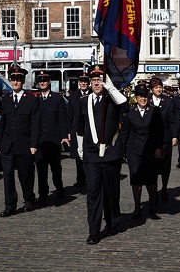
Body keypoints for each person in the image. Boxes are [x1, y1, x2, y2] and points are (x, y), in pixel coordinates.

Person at [76, 65, 130, 245]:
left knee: (111, 192)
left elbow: (125, 107)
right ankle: (93, 230)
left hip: (110, 153)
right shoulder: (85, 101)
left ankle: (113, 222)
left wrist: (111, 88)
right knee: (93, 193)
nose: (96, 83)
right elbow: (79, 127)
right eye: (94, 80)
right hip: (91, 155)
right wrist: (80, 149)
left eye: (100, 80)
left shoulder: (113, 100)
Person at [0, 65, 40, 217]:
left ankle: (29, 200)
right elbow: (3, 123)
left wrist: (34, 144)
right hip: (8, 145)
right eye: (13, 79)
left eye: (18, 79)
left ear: (23, 81)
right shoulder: (6, 99)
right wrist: (0, 144)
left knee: (25, 175)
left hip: (24, 144)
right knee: (8, 176)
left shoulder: (31, 100)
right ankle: (10, 205)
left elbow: (36, 124)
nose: (15, 82)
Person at [122, 83, 164, 220]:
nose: (143, 99)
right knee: (136, 180)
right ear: (136, 98)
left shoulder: (154, 111)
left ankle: (152, 205)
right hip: (134, 151)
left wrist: (159, 147)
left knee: (151, 180)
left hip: (150, 150)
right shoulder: (130, 113)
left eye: (145, 96)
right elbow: (125, 133)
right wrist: (122, 151)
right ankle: (137, 207)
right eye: (140, 96)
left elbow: (160, 131)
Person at [35, 71, 69, 203]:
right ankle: (43, 193)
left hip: (54, 140)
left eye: (44, 80)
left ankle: (59, 188)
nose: (42, 82)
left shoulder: (57, 98)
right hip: (40, 141)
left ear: (49, 81)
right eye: (40, 80)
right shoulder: (35, 99)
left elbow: (61, 118)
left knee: (56, 168)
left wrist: (64, 136)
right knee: (41, 169)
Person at [147, 77, 178, 201]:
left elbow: (173, 120)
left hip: (165, 138)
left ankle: (164, 188)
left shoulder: (168, 102)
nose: (159, 89)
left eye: (160, 87)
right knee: (152, 166)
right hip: (150, 139)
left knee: (165, 166)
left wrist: (175, 136)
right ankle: (153, 192)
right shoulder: (147, 100)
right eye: (156, 88)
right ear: (152, 89)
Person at [67, 72, 89, 187]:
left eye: (85, 81)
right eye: (81, 81)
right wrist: (69, 131)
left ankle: (90, 177)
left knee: (89, 154)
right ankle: (80, 179)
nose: (83, 83)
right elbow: (70, 114)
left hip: (90, 129)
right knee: (78, 155)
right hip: (77, 128)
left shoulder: (92, 93)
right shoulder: (73, 95)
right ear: (79, 82)